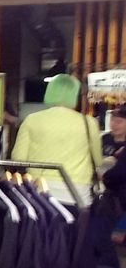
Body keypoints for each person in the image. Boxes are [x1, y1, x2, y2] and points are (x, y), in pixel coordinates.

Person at [12, 74, 102, 204]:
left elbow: (18, 158)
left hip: (39, 188)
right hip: (77, 192)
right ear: (75, 96)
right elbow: (98, 161)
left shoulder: (31, 120)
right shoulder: (89, 123)